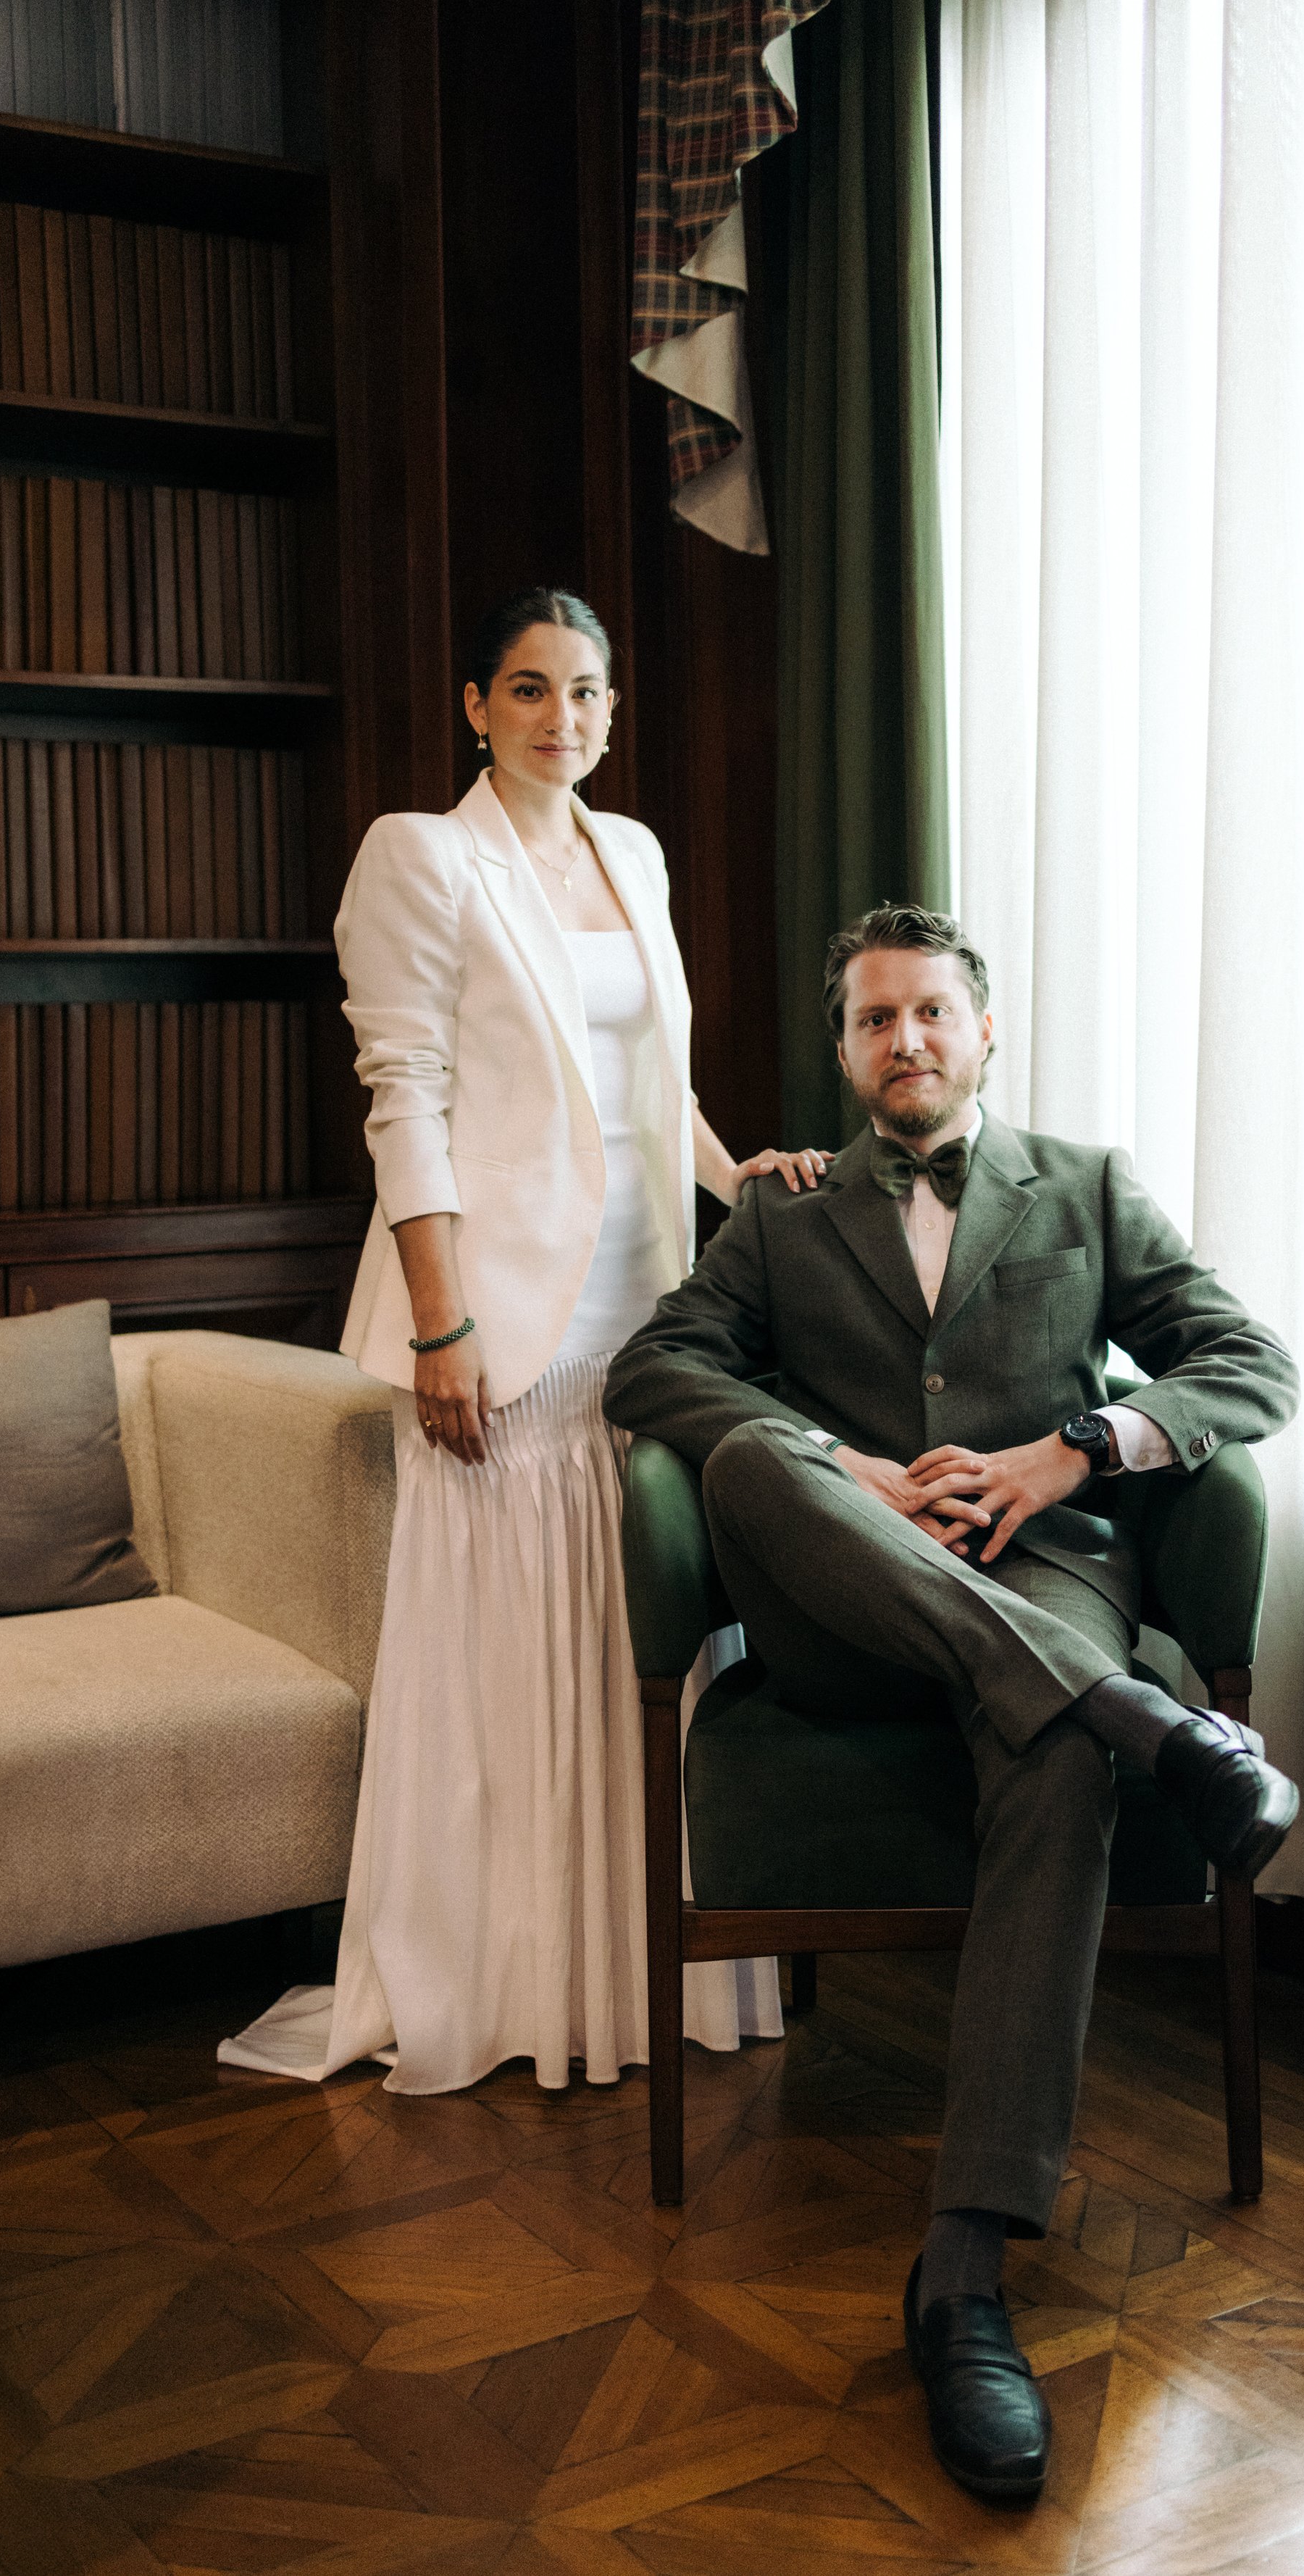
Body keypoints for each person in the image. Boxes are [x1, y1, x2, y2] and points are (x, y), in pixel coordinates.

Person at [602, 902, 1300, 2504]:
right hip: (845, 1596)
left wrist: (1076, 1450)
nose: (903, 1040)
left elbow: (1246, 1362)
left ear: (982, 1032)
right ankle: (1156, 1727)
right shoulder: (778, 1215)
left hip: (1041, 1563)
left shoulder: (1088, 1186)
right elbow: (651, 1367)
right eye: (871, 1019)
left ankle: (963, 2269)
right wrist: (846, 1469)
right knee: (748, 1448)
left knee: (1051, 1750)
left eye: (929, 1012)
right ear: (842, 1050)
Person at [222, 587, 827, 2096]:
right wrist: (443, 1321)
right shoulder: (421, 853)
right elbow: (403, 1092)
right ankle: (497, 1978)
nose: (564, 716)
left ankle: (641, 1972)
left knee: (645, 1624)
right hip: (500, 1320)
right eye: (530, 687)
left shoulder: (634, 854)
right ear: (475, 707)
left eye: (588, 692)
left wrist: (732, 1176)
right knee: (508, 1648)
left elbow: (647, 1081)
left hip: (653, 1305)